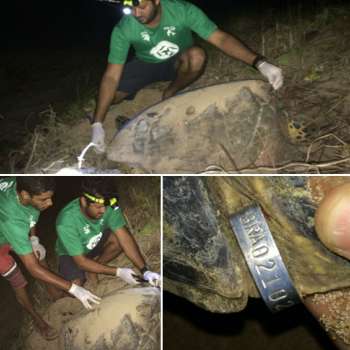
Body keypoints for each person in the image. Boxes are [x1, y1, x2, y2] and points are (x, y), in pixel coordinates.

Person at [90, 0, 284, 153]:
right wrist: (97, 123)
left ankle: (171, 92)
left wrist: (260, 63)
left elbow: (221, 38)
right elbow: (111, 76)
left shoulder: (182, 10)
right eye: (130, 9)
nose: (136, 14)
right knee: (108, 97)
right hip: (145, 64)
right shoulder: (124, 28)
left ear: (157, 0)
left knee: (197, 56)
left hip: (178, 61)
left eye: (141, 7)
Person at [0, 177, 101, 341]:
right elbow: (32, 268)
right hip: (3, 237)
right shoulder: (12, 217)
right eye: (44, 199)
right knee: (17, 278)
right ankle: (37, 320)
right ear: (25, 195)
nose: (50, 203)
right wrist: (74, 288)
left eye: (50, 197)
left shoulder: (23, 183)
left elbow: (29, 215)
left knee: (40, 256)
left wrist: (34, 239)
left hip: (11, 227)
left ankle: (57, 298)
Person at [55, 178, 161, 288]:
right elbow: (81, 261)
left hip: (95, 242)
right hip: (72, 254)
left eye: (105, 206)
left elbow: (124, 237)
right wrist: (118, 272)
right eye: (98, 207)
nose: (104, 211)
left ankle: (94, 269)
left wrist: (145, 271)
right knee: (75, 285)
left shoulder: (109, 206)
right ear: (83, 201)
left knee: (118, 239)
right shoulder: (66, 221)